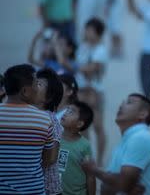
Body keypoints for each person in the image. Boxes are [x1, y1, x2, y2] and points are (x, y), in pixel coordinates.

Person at [82, 93, 150, 195]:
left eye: (129, 102)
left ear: (143, 114)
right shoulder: (128, 139)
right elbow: (108, 188)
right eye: (123, 102)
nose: (121, 105)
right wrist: (118, 184)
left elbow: (124, 184)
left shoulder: (141, 137)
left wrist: (94, 170)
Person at [0, 64, 56, 194]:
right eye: (36, 84)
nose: (38, 88)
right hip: (33, 191)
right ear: (25, 91)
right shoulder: (44, 120)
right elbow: (48, 159)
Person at [75, 17, 108, 166]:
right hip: (81, 90)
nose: (86, 33)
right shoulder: (83, 46)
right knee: (83, 127)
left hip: (95, 91)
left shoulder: (101, 50)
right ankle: (88, 158)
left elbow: (91, 69)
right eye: (86, 29)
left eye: (89, 30)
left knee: (98, 126)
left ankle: (100, 161)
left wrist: (69, 65)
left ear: (98, 33)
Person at [35, 68, 64, 195]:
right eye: (34, 82)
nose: (34, 86)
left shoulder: (51, 119)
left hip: (48, 188)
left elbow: (52, 157)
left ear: (49, 97)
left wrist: (31, 166)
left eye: (39, 84)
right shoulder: (31, 115)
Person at [59, 101, 95, 195]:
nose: (65, 113)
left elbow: (90, 176)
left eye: (71, 112)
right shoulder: (54, 138)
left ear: (79, 124)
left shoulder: (84, 146)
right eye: (67, 110)